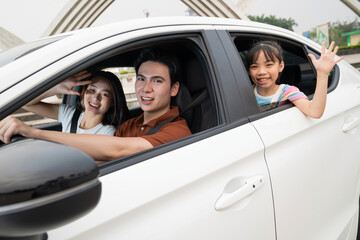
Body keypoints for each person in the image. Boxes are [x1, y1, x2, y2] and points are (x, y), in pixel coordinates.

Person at [0, 49, 192, 163]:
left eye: (157, 81)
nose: (146, 89)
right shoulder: (129, 125)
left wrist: (34, 133)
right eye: (141, 79)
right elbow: (101, 159)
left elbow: (117, 150)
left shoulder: (176, 131)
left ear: (174, 89)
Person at [246, 40, 343, 118]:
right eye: (254, 66)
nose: (261, 72)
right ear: (249, 70)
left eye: (269, 65)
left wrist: (322, 74)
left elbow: (314, 112)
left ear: (281, 66)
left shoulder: (287, 92)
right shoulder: (246, 92)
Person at [24, 70, 129, 135]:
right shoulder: (69, 114)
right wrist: (57, 88)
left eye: (105, 94)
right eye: (92, 90)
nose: (96, 98)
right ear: (84, 92)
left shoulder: (108, 133)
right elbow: (27, 103)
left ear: (113, 103)